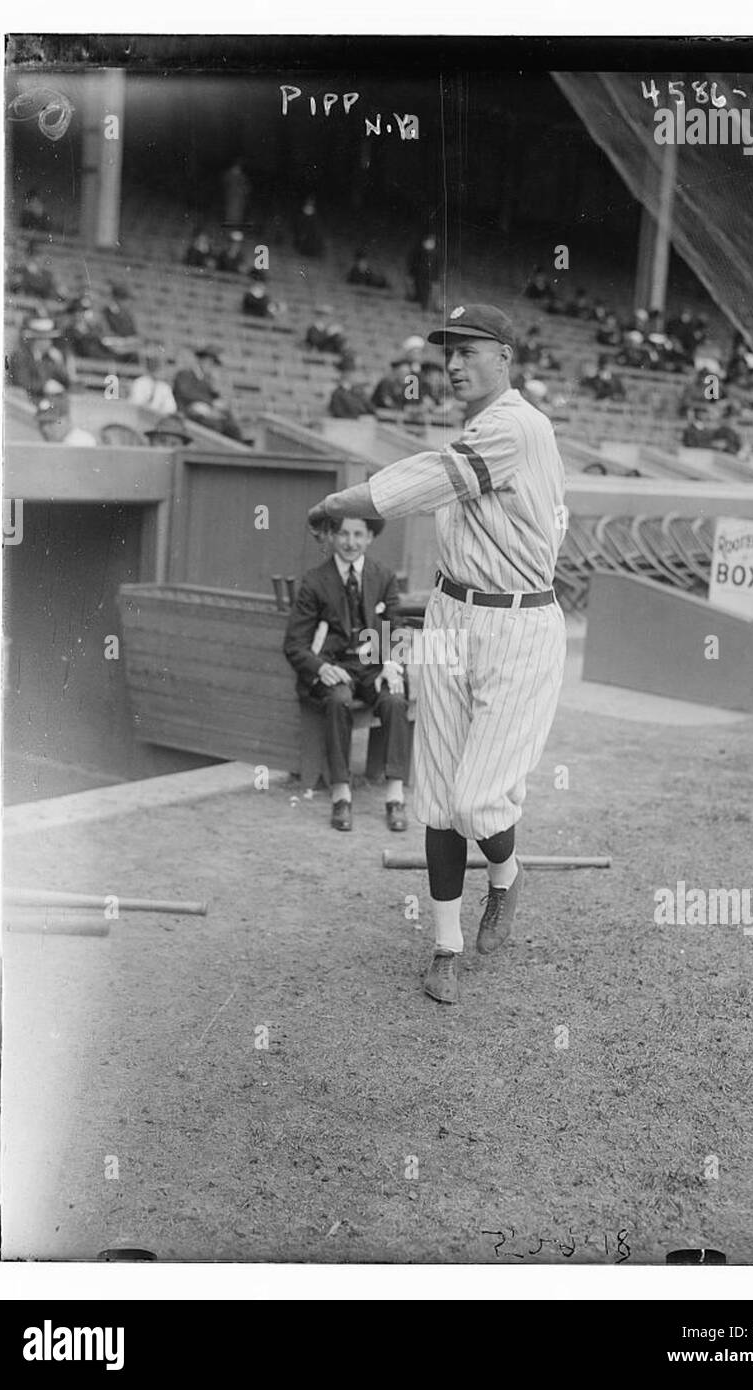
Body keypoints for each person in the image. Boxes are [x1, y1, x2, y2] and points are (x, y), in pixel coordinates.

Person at [305, 304, 567, 1005]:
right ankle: (444, 947)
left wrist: (341, 502)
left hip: (518, 626)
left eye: (467, 350)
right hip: (454, 616)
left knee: (480, 800)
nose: (451, 364)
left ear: (504, 356)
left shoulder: (517, 424)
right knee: (437, 800)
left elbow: (427, 481)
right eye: (444, 352)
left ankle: (508, 878)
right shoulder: (481, 428)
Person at [283, 516, 410, 833]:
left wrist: (389, 664)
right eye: (343, 534)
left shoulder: (382, 577)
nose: (350, 542)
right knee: (338, 699)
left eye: (358, 534)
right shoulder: (315, 581)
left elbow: (393, 628)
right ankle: (341, 793)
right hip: (334, 667)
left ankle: (395, 796)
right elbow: (294, 644)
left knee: (395, 699)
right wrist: (321, 667)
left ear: (370, 538)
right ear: (331, 537)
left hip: (372, 665)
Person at [173, 345, 245, 442]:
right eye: (210, 362)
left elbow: (216, 400)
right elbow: (185, 393)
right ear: (202, 360)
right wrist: (210, 404)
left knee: (231, 425)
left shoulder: (207, 381)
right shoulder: (185, 374)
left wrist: (215, 386)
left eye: (213, 364)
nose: (211, 366)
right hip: (189, 414)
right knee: (215, 425)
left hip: (207, 414)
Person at [6, 315, 73, 400]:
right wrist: (44, 387)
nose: (50, 343)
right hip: (22, 401)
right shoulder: (20, 356)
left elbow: (66, 382)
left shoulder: (48, 357)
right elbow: (22, 383)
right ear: (36, 340)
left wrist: (59, 362)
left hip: (42, 400)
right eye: (46, 339)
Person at [130, 346, 177, 415]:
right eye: (159, 368)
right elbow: (137, 404)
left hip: (157, 419)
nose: (162, 372)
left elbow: (171, 409)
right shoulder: (140, 382)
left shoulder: (165, 387)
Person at [329, 355, 376, 419]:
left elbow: (370, 408)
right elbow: (337, 413)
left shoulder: (358, 392)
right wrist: (358, 417)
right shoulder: (338, 393)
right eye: (356, 371)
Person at [407, 231, 440, 312]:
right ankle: (422, 303)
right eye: (428, 241)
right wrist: (411, 274)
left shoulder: (436, 254)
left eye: (432, 242)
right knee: (421, 290)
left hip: (431, 277)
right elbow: (413, 264)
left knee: (431, 291)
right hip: (420, 276)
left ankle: (430, 306)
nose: (429, 244)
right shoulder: (418, 253)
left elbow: (437, 267)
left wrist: (436, 277)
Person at [222, 158, 251, 229]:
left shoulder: (242, 176)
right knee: (231, 213)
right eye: (236, 167)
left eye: (239, 168)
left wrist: (245, 189)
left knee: (238, 214)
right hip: (231, 198)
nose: (237, 169)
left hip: (240, 199)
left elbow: (247, 187)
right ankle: (231, 230)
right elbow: (225, 184)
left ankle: (236, 229)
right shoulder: (229, 174)